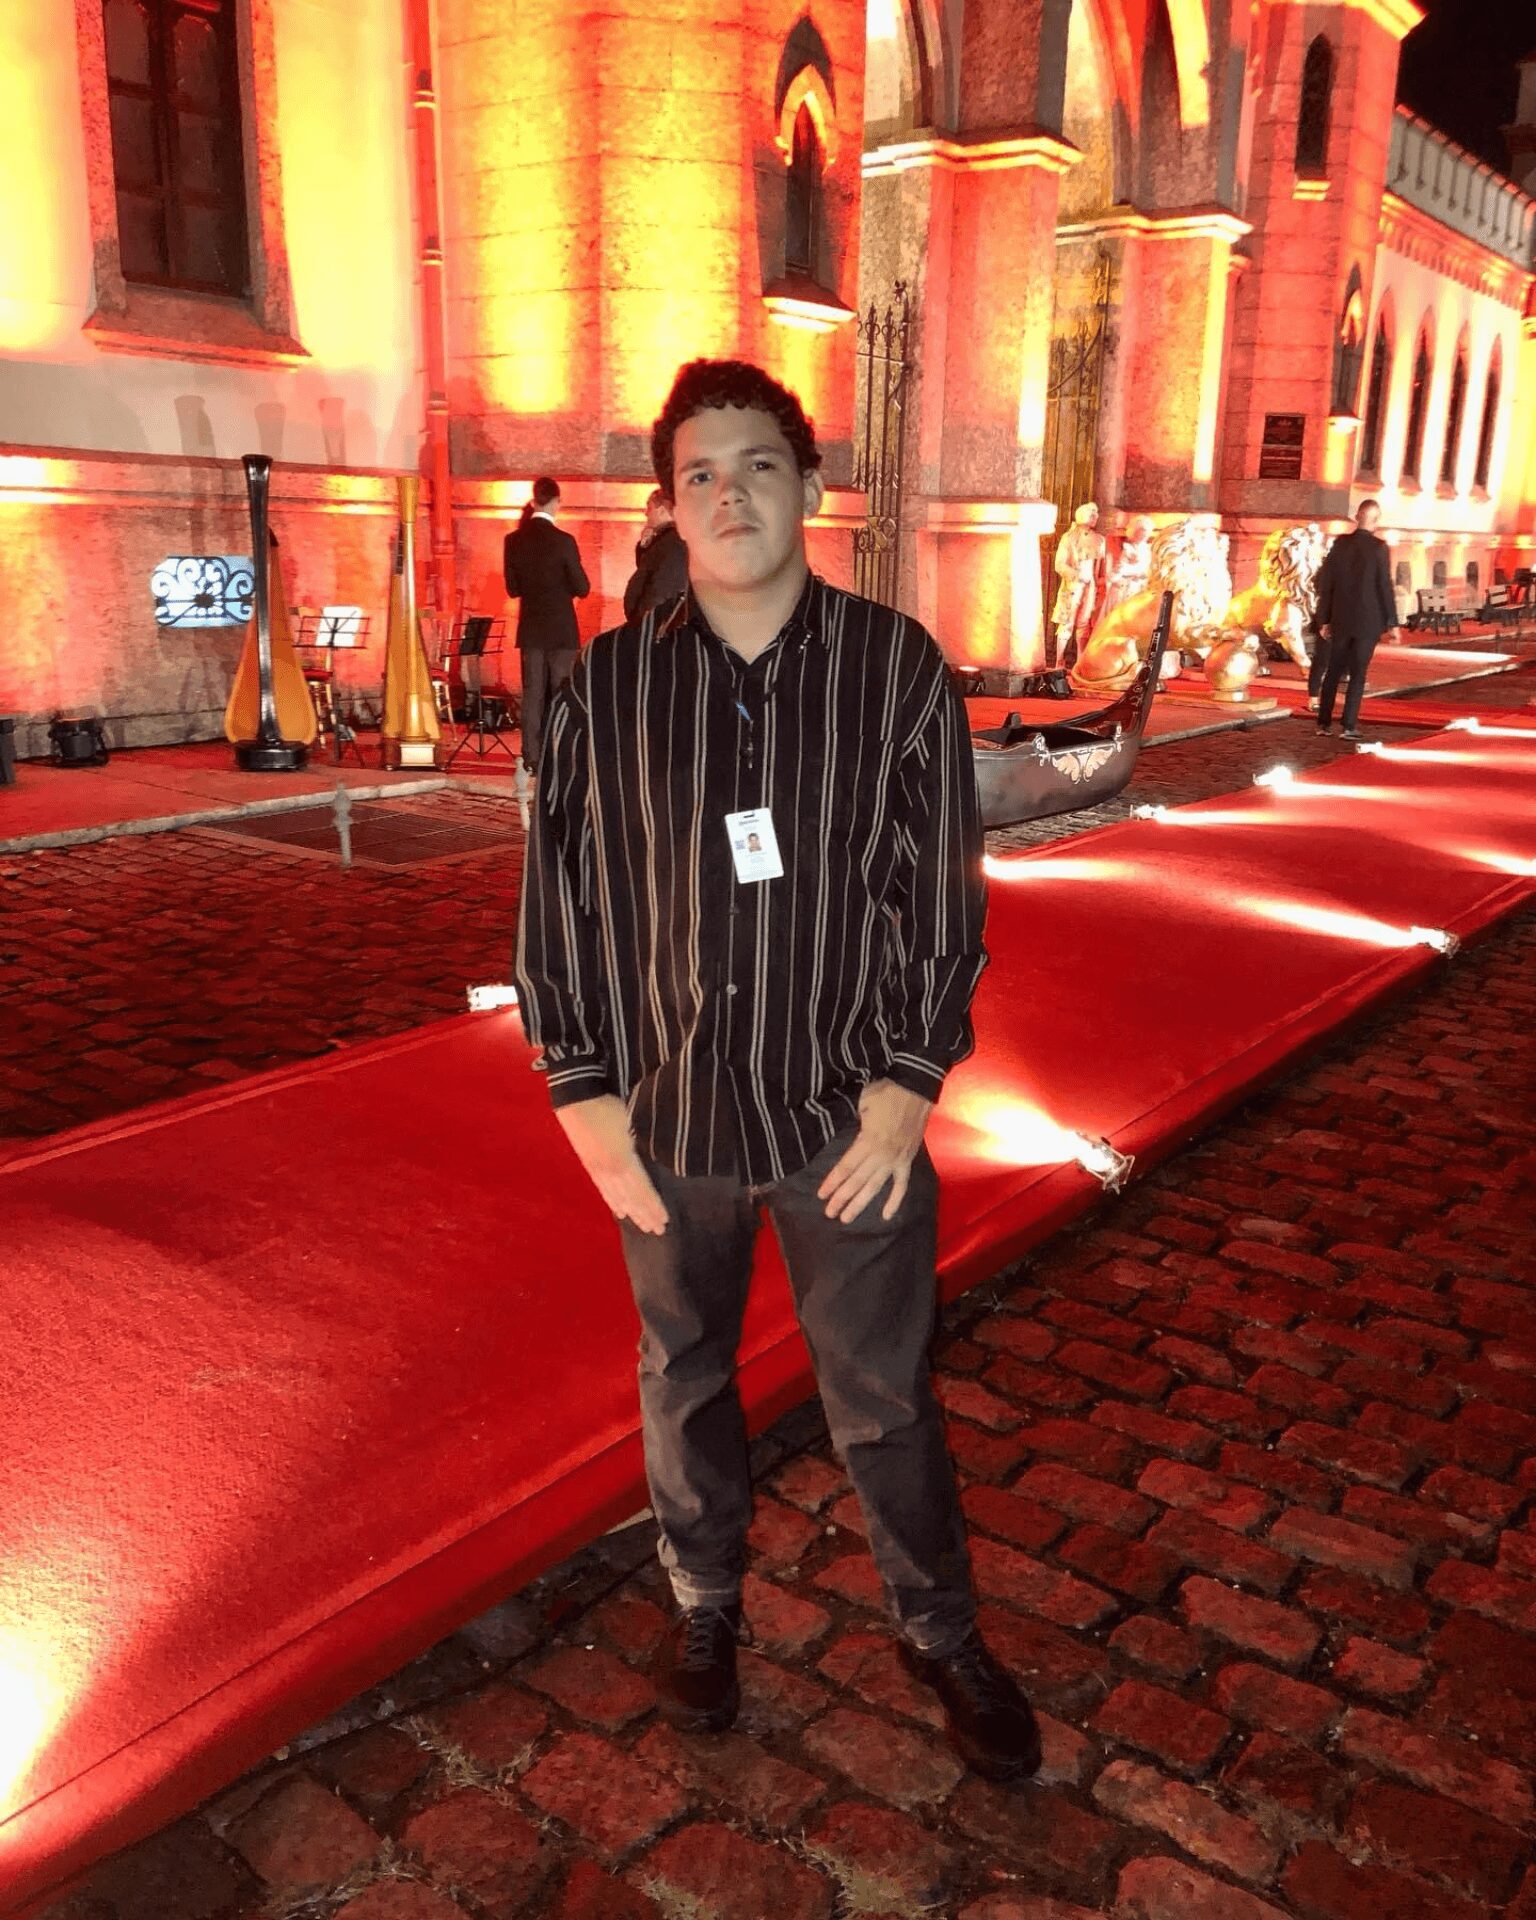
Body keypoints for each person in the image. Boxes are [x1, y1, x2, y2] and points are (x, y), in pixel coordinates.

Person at [515, 358, 1041, 1783]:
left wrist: (908, 1081)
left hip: (844, 1117)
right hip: (671, 1114)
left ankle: (939, 1632)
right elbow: (561, 896)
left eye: (757, 463)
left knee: (885, 1395)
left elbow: (939, 889)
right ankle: (705, 1604)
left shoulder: (895, 668)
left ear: (808, 486)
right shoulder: (610, 686)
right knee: (683, 1372)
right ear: (670, 508)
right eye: (699, 473)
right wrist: (583, 1095)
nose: (730, 493)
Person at [504, 476, 590, 772]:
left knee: (533, 694)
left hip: (531, 629)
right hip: (561, 629)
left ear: (533, 501)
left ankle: (532, 756)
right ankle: (561, 754)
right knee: (562, 692)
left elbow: (513, 588)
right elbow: (582, 587)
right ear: (556, 502)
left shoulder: (513, 541)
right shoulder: (564, 541)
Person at [1313, 499, 1399, 739]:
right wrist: (1392, 622)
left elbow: (1326, 583)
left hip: (1340, 618)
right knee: (1358, 674)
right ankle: (1348, 725)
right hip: (1368, 621)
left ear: (1357, 516)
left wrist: (1323, 619)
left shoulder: (1340, 544)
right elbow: (1384, 585)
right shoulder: (1379, 548)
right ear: (1376, 520)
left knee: (1333, 671)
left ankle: (1323, 723)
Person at [1051, 502, 1106, 668]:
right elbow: (1060, 564)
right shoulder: (1069, 538)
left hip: (1090, 586)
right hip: (1072, 586)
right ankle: (1059, 661)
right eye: (1092, 514)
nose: (1095, 517)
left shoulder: (1099, 540)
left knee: (1084, 623)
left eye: (1096, 514)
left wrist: (1099, 582)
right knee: (1066, 622)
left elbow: (1101, 567)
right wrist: (1075, 574)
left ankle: (1081, 661)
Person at [623, 489, 689, 622]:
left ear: (662, 511)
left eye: (649, 507)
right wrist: (644, 546)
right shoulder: (664, 539)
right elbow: (647, 571)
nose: (646, 513)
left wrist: (645, 622)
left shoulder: (673, 543)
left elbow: (662, 588)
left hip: (653, 624)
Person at [1104, 515, 1153, 614]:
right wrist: (1135, 570)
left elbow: (1149, 569)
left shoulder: (1148, 549)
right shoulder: (1128, 549)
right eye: (1141, 531)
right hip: (1125, 588)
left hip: (1140, 587)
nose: (1144, 534)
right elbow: (1120, 569)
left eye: (1146, 531)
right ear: (1135, 532)